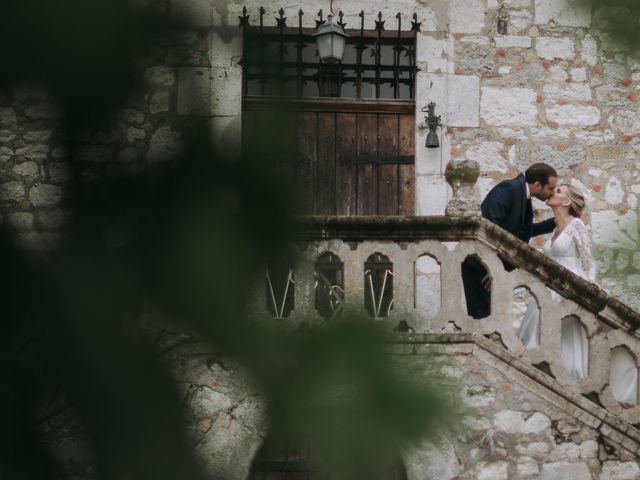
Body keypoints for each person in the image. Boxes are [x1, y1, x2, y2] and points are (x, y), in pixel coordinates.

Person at [515, 184, 596, 380]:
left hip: (570, 284)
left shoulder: (576, 224)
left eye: (558, 191)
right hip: (550, 285)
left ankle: (567, 373)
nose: (552, 192)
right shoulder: (555, 229)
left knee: (565, 333)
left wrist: (590, 286)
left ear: (567, 202)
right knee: (540, 325)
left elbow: (588, 261)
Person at [462, 163, 558, 319]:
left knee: (493, 320)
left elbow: (521, 231)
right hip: (480, 268)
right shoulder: (508, 189)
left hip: (493, 269)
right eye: (550, 189)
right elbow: (490, 227)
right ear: (537, 185)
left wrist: (555, 222)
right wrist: (492, 265)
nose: (552, 193)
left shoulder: (523, 195)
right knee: (482, 320)